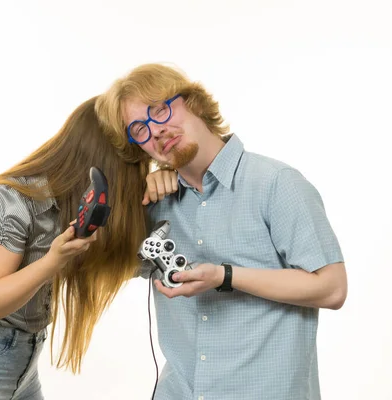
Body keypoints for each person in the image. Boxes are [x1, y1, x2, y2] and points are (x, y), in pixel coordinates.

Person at [95, 63, 348, 400]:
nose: (155, 130)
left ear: (193, 102)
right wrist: (135, 192)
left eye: (160, 110)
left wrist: (225, 276)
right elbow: (97, 260)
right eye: (139, 128)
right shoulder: (154, 203)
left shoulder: (276, 184)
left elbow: (332, 289)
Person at [0, 96, 154, 400]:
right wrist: (53, 261)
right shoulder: (9, 200)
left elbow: (134, 260)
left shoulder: (73, 207)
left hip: (24, 363)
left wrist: (165, 183)